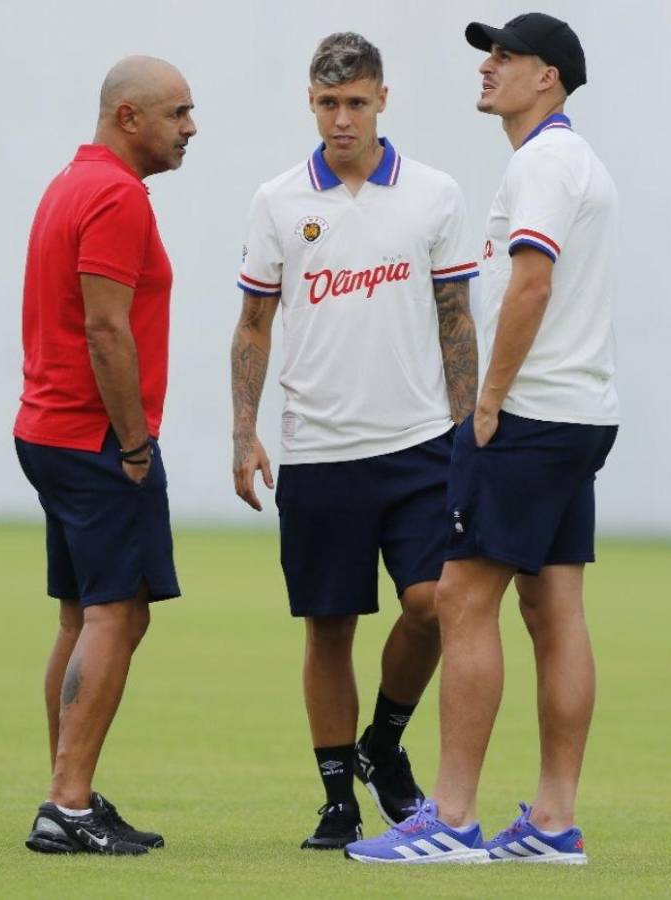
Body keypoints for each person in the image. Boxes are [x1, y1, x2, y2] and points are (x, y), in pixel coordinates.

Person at [345, 12, 620, 865]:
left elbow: (531, 286)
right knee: (555, 609)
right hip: (579, 412)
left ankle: (452, 819)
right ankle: (553, 822)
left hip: (529, 414)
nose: (488, 65)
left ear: (549, 76)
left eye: (506, 55)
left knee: (463, 600)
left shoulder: (542, 162)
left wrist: (488, 400)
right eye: (487, 54)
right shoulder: (576, 160)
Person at [230, 32, 479, 850]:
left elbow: (456, 319)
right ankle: (339, 798)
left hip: (419, 446)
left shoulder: (434, 194)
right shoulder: (278, 201)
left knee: (434, 604)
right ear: (311, 102)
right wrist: (243, 431)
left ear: (382, 101)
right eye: (329, 104)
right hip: (318, 451)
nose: (343, 119)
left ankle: (384, 740)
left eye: (357, 103)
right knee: (329, 626)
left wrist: (470, 431)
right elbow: (254, 324)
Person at [13, 55, 196, 856]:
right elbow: (105, 329)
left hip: (49, 430)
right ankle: (66, 802)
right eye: (177, 113)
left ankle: (70, 791)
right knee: (116, 613)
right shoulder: (117, 196)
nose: (190, 128)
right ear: (130, 117)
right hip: (95, 439)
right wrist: (133, 443)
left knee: (85, 615)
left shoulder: (71, 182)